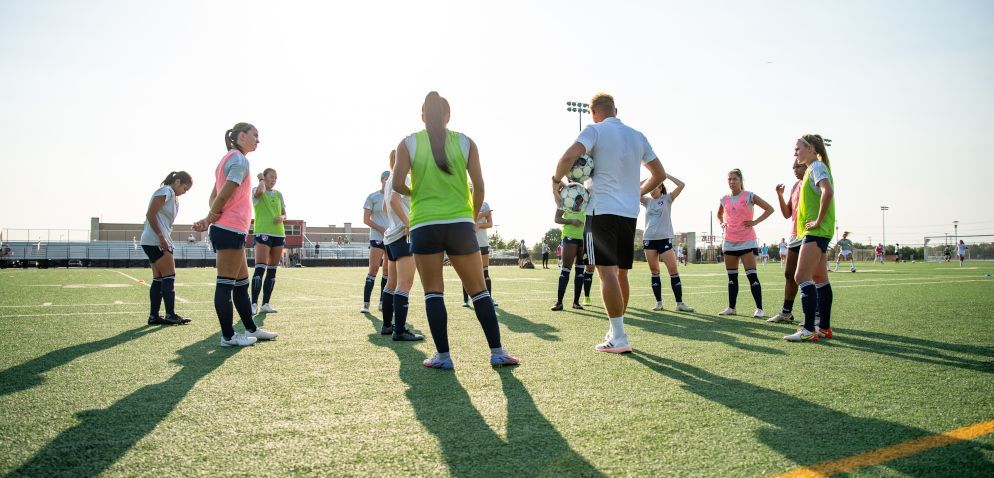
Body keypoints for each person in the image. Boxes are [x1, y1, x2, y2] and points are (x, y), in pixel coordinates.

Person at [391, 91, 518, 369]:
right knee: (479, 291)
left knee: (433, 292)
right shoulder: (465, 142)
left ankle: (443, 357)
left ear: (423, 116)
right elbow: (480, 187)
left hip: (424, 224)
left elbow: (397, 184)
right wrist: (470, 219)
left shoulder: (407, 144)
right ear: (448, 116)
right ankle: (497, 353)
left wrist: (416, 190)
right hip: (460, 224)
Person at [552, 93, 666, 354]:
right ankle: (617, 331)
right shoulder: (638, 135)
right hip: (629, 213)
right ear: (616, 109)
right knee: (621, 272)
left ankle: (619, 336)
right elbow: (659, 174)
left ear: (593, 113)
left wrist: (555, 180)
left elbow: (568, 156)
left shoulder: (594, 130)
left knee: (605, 272)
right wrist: (638, 193)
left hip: (601, 210)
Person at [192, 122, 278, 347]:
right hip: (229, 230)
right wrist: (211, 218)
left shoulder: (228, 159)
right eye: (254, 135)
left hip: (231, 229)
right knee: (225, 284)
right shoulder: (240, 161)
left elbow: (215, 196)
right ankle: (228, 336)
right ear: (241, 136)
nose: (258, 140)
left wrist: (213, 216)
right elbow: (223, 195)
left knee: (241, 283)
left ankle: (251, 328)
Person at [784, 134, 836, 342]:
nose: (795, 152)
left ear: (812, 149)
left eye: (798, 148)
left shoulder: (816, 167)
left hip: (816, 232)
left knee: (801, 277)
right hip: (817, 232)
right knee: (820, 279)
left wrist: (817, 221)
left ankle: (808, 330)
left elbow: (828, 192)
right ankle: (824, 327)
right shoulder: (812, 170)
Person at [716, 169, 775, 318]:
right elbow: (718, 215)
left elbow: (769, 209)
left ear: (741, 180)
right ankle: (731, 307)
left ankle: (759, 309)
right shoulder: (724, 198)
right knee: (732, 277)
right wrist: (722, 223)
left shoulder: (749, 196)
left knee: (752, 276)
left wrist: (755, 222)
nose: (731, 182)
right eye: (729, 179)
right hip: (729, 241)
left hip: (747, 241)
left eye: (734, 179)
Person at [140, 171, 194, 325]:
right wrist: (161, 237)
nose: (185, 192)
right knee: (169, 277)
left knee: (158, 279)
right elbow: (150, 214)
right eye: (185, 188)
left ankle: (154, 316)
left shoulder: (173, 196)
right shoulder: (166, 191)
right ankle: (170, 314)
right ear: (177, 182)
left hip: (151, 240)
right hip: (156, 240)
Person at [382, 150, 424, 341]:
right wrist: (408, 223)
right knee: (404, 284)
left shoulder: (390, 179)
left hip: (391, 236)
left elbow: (385, 207)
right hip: (402, 234)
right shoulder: (404, 178)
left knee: (391, 283)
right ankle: (399, 330)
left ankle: (387, 326)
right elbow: (393, 201)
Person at [640, 175, 695, 312]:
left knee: (673, 271)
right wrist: (648, 179)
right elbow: (634, 189)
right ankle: (659, 303)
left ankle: (679, 304)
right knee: (655, 271)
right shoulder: (647, 201)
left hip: (664, 239)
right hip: (649, 240)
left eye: (654, 187)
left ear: (660, 187)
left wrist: (665, 175)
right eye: (650, 187)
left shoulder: (668, 198)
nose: (651, 190)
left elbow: (681, 184)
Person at [767, 161, 807, 324]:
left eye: (798, 167)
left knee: (807, 276)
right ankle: (786, 313)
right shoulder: (796, 185)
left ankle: (814, 316)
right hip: (794, 235)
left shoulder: (814, 181)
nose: (795, 170)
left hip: (809, 234)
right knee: (789, 274)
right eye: (793, 168)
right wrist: (780, 196)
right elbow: (787, 213)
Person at [250, 168, 286, 315]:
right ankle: (253, 304)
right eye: (271, 177)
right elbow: (259, 192)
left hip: (278, 234)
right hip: (263, 233)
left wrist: (281, 218)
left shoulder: (279, 194)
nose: (274, 179)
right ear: (264, 177)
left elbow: (284, 214)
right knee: (260, 268)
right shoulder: (257, 189)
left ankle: (266, 303)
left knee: (272, 270)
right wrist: (260, 181)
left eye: (276, 177)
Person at [361, 171, 390, 313]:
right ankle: (366, 304)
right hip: (377, 237)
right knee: (373, 269)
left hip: (392, 238)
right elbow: (366, 219)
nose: (388, 180)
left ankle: (382, 303)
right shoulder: (373, 197)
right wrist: (381, 228)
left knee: (387, 270)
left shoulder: (396, 197)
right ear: (381, 180)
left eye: (390, 178)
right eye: (386, 178)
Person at [462, 195, 497, 307]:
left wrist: (480, 225)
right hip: (468, 242)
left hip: (483, 243)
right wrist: (483, 214)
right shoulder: (464, 202)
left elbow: (490, 224)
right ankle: (466, 300)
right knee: (467, 273)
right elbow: (468, 219)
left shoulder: (485, 204)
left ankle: (489, 299)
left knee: (485, 272)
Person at [551, 208, 587, 311]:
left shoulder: (588, 197)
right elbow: (557, 219)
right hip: (570, 236)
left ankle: (576, 303)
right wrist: (571, 221)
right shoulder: (566, 196)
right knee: (566, 269)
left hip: (584, 238)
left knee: (580, 271)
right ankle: (559, 302)